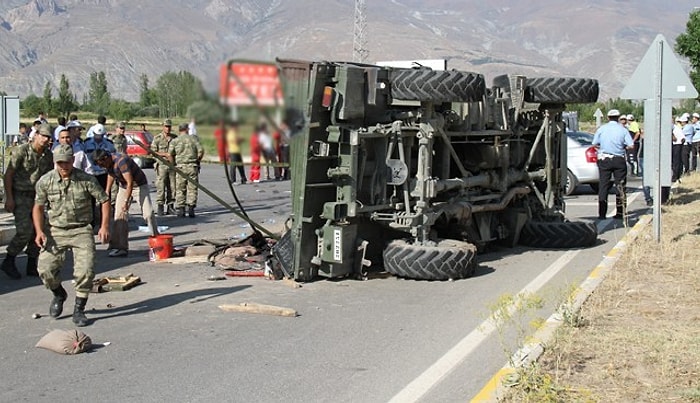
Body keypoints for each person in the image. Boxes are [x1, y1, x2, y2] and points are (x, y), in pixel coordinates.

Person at [33, 144, 110, 327]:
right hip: (56, 230)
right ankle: (59, 294)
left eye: (66, 162)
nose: (63, 166)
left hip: (81, 229)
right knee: (45, 269)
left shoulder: (86, 179)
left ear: (72, 160)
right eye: (59, 163)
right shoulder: (46, 181)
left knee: (85, 270)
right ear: (55, 162)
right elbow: (38, 206)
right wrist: (39, 231)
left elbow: (104, 200)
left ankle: (79, 309)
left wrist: (104, 226)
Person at [1, 125, 54, 279]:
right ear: (36, 135)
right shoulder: (22, 151)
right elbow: (8, 174)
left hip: (37, 197)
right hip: (20, 195)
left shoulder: (47, 155)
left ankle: (32, 262)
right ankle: (9, 259)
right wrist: (9, 197)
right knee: (24, 230)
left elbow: (49, 177)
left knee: (39, 229)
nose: (45, 140)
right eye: (43, 136)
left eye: (48, 137)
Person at [92, 149, 158, 258]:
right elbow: (111, 174)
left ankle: (157, 240)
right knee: (119, 216)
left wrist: (126, 202)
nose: (101, 167)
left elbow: (130, 182)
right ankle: (119, 247)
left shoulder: (122, 161)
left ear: (106, 158)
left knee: (148, 214)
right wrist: (107, 191)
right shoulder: (108, 163)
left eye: (102, 164)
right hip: (123, 187)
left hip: (139, 186)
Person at [592, 109, 634, 220]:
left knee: (603, 186)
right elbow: (631, 145)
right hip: (618, 159)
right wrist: (622, 147)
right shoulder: (623, 130)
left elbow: (594, 143)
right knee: (620, 186)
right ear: (619, 118)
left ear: (608, 117)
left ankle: (602, 213)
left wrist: (602, 147)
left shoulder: (602, 129)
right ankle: (620, 213)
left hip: (604, 159)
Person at [169, 123, 204, 217]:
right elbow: (201, 151)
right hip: (192, 166)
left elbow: (169, 154)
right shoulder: (194, 139)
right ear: (187, 129)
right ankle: (191, 208)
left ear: (179, 130)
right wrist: (197, 161)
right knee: (192, 188)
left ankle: (181, 209)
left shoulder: (175, 141)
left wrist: (173, 165)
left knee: (180, 188)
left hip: (180, 167)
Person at [151, 119, 177, 216]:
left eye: (169, 126)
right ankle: (160, 206)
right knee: (161, 186)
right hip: (161, 165)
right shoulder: (157, 138)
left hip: (172, 165)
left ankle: (170, 206)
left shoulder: (174, 138)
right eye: (166, 126)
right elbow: (152, 152)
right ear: (163, 127)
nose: (168, 128)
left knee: (172, 186)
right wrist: (165, 154)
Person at [671, 116, 686, 182]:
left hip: (676, 144)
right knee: (677, 161)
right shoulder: (677, 127)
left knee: (676, 161)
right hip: (678, 144)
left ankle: (675, 176)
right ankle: (677, 175)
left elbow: (673, 136)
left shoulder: (674, 127)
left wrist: (673, 137)